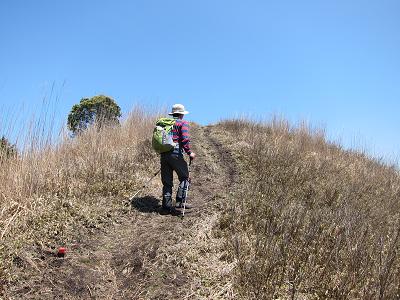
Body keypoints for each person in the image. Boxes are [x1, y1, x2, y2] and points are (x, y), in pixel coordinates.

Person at [161, 104, 196, 211]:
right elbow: (185, 139)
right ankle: (180, 202)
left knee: (167, 182)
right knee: (185, 177)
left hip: (164, 154)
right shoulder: (182, 123)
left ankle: (166, 206)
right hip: (176, 154)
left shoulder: (166, 124)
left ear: (173, 114)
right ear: (182, 114)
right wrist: (189, 152)